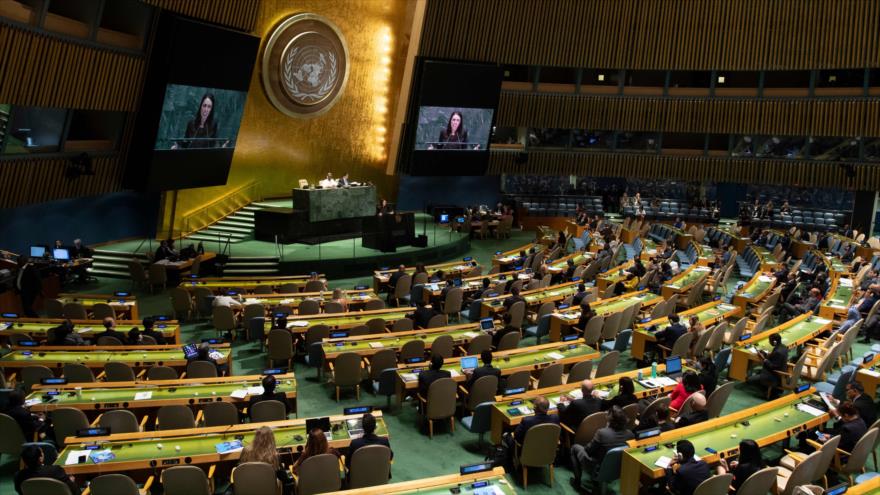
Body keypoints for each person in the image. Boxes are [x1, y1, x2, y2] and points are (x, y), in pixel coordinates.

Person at [570, 406, 634, 491]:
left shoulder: (602, 433)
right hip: (619, 469)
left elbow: (588, 451)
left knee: (575, 448)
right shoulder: (630, 434)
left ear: (610, 419)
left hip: (598, 468)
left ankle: (577, 483)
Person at [15, 444, 81, 495]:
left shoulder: (18, 476)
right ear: (40, 458)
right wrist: (72, 482)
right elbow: (74, 491)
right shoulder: (55, 470)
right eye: (42, 453)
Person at [747, 333, 788, 397]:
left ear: (774, 342)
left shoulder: (778, 352)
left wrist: (764, 359)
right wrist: (765, 354)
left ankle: (767, 391)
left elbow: (772, 366)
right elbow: (775, 357)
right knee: (757, 372)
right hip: (779, 370)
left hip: (774, 375)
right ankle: (770, 389)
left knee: (750, 380)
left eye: (770, 341)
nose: (769, 342)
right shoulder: (783, 347)